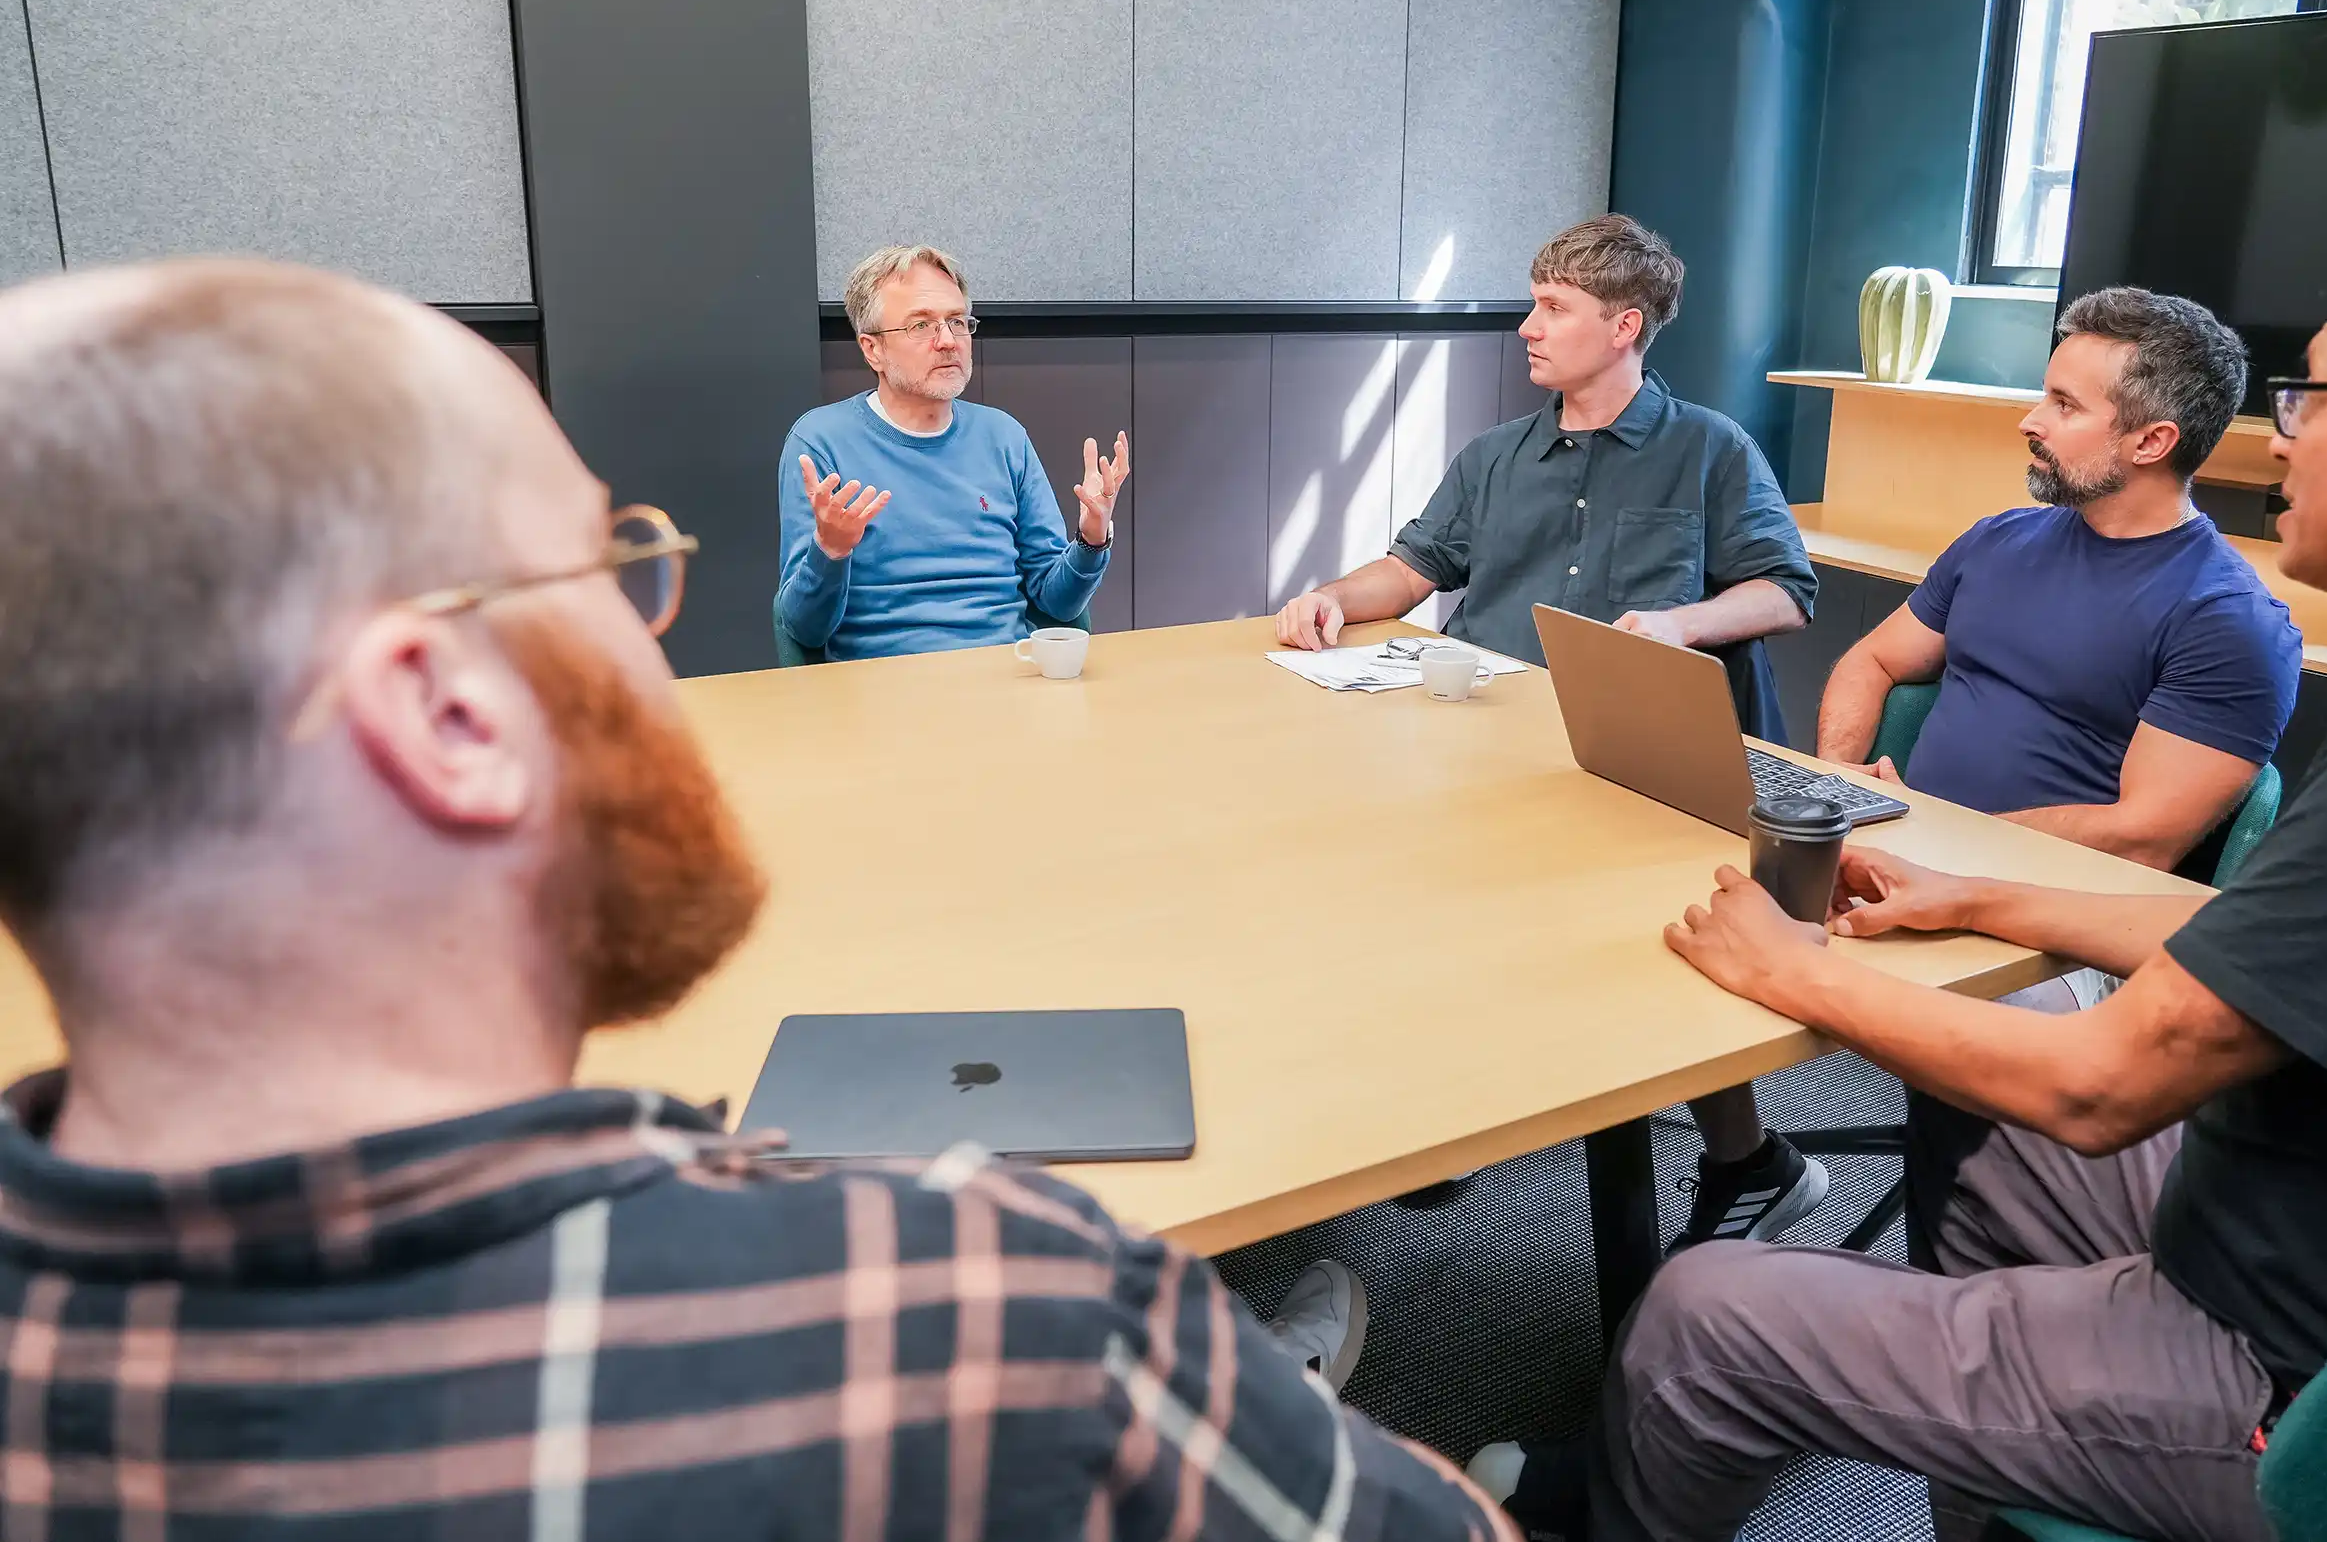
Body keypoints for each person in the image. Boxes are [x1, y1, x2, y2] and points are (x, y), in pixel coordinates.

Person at [0, 259, 1508, 1539]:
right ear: (447, 716)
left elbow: (1052, 590)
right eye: (604, 560)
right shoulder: (998, 1307)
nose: (648, 622)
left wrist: (1088, 540)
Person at [1483, 204, 2327, 1542]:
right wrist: (1979, 894)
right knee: (1989, 1156)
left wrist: (1791, 969)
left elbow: (2101, 1084)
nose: (2281, 431)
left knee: (1705, 1311)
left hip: (2323, 1381)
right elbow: (2245, 924)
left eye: (2314, 392)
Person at [1274, 215, 1827, 1251]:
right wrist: (1336, 597)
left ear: (1623, 326)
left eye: (1552, 308)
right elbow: (1415, 567)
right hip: (1489, 744)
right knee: (1423, 899)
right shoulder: (1496, 456)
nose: (1527, 328)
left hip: (1636, 763)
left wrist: (1677, 621)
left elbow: (1784, 592)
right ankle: (1464, 1107)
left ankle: (1751, 1159)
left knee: (1666, 937)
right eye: (1533, 302)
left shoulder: (1708, 448)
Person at [1817, 288, 2302, 873]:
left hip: (2052, 919)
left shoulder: (2229, 621)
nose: (2031, 420)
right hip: (1902, 856)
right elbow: (1873, 661)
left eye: (2065, 405)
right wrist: (1838, 785)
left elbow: (2143, 839)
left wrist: (1940, 840)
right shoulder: (1998, 540)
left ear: (2151, 442)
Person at [776, 243, 1132, 661]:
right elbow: (803, 629)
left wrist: (1092, 538)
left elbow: (1058, 605)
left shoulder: (1003, 436)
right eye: (921, 326)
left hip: (1006, 678)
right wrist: (830, 550)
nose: (948, 341)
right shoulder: (820, 442)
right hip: (880, 695)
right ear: (873, 349)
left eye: (957, 322)